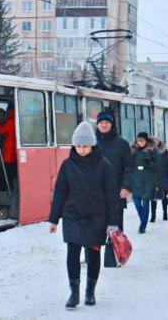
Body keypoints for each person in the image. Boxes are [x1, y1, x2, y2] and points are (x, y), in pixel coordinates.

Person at [48, 122, 120, 309]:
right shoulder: (67, 165)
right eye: (78, 146)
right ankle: (74, 293)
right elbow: (60, 193)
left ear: (92, 145)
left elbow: (112, 196)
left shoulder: (104, 166)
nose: (81, 149)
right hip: (72, 216)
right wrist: (54, 218)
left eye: (85, 146)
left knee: (93, 254)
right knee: (73, 253)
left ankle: (90, 291)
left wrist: (113, 222)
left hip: (96, 217)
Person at [94, 111, 134, 230]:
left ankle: (113, 249)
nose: (104, 125)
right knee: (93, 232)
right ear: (97, 125)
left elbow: (129, 167)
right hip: (94, 193)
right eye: (101, 122)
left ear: (112, 124)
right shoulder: (91, 143)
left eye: (106, 122)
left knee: (114, 231)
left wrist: (126, 186)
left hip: (116, 193)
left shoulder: (122, 143)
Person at [130, 132, 159, 233]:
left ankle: (142, 226)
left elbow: (158, 166)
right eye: (138, 140)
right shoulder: (133, 150)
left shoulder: (152, 150)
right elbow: (129, 164)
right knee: (137, 202)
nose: (140, 142)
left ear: (146, 141)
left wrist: (149, 163)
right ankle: (143, 220)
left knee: (146, 202)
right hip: (136, 179)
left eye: (142, 140)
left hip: (148, 180)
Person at [0, 104, 17, 189]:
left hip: (9, 152)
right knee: (12, 172)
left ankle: (5, 187)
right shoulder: (17, 120)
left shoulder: (10, 122)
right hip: (14, 151)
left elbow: (1, 131)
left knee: (7, 172)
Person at [150, 137, 168, 222]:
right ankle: (153, 215)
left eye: (156, 140)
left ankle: (165, 213)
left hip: (163, 174)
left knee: (164, 195)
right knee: (152, 196)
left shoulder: (164, 150)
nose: (155, 142)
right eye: (153, 141)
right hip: (153, 175)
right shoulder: (149, 150)